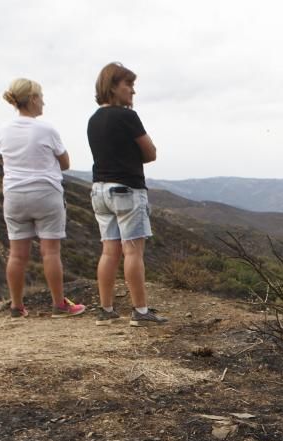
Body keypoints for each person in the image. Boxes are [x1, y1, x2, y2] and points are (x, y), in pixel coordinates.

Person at [0, 78, 86, 319]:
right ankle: (59, 305)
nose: (44, 102)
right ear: (33, 99)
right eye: (42, 97)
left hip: (14, 195)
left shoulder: (4, 130)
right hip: (45, 193)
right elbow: (65, 163)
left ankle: (16, 306)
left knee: (16, 254)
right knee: (50, 252)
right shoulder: (46, 129)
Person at [87, 62, 167, 326]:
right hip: (127, 190)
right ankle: (140, 312)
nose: (133, 91)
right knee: (133, 252)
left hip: (99, 190)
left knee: (109, 251)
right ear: (112, 87)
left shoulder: (94, 119)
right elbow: (151, 152)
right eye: (128, 85)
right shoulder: (127, 117)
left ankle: (106, 310)